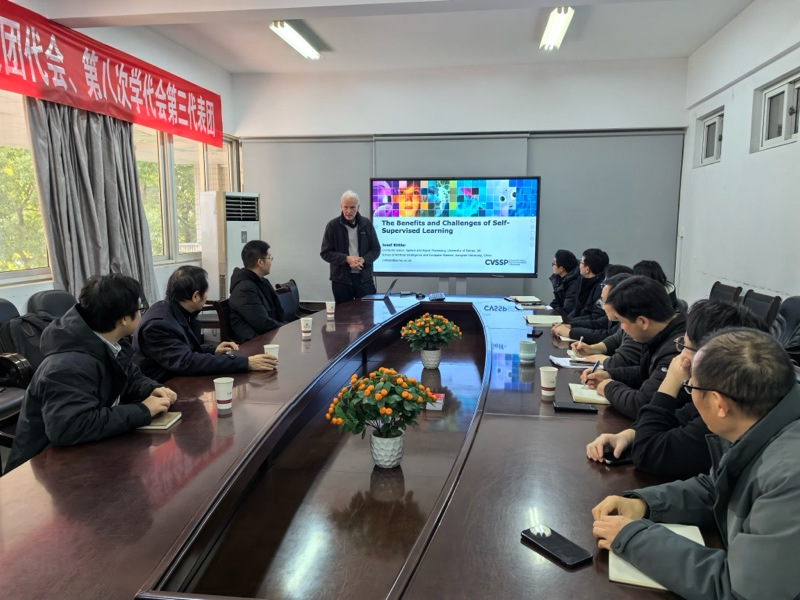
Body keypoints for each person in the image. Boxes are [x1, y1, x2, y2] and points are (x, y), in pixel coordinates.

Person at [592, 328, 800, 599]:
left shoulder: (789, 475)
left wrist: (633, 538)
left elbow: (743, 591)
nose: (690, 395)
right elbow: (717, 487)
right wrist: (645, 504)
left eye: (691, 387)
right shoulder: (760, 421)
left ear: (719, 404)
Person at [5, 274, 177, 473]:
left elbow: (130, 376)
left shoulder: (106, 341)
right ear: (123, 318)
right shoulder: (67, 366)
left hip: (85, 449)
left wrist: (153, 389)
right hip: (43, 466)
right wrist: (143, 411)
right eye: (139, 309)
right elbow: (69, 427)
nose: (141, 314)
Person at [586, 300, 767, 479]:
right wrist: (628, 435)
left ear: (706, 356)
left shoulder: (726, 411)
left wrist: (671, 380)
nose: (679, 353)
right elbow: (682, 416)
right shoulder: (730, 388)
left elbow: (647, 453)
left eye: (684, 344)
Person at [133, 266, 277, 382]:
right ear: (196, 296)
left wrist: (212, 350)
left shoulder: (176, 309)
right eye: (206, 292)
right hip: (162, 388)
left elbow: (182, 348)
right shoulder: (158, 325)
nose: (207, 296)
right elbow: (187, 362)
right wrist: (246, 363)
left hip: (178, 379)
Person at [582, 276, 685, 419]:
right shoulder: (662, 334)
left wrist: (608, 387)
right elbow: (647, 373)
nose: (622, 328)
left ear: (643, 322)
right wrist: (610, 374)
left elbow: (642, 404)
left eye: (622, 322)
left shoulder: (678, 348)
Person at [320, 190, 381, 305]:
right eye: (345, 207)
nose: (348, 211)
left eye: (352, 207)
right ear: (341, 207)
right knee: (344, 314)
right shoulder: (332, 226)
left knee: (367, 312)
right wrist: (346, 259)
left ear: (358, 207)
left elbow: (376, 250)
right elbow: (325, 253)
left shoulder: (366, 224)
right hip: (341, 280)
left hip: (364, 279)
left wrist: (363, 260)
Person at [553, 265, 633, 342]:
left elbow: (606, 335)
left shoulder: (628, 320)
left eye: (605, 285)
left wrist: (570, 332)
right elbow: (598, 323)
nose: (603, 288)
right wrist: (570, 325)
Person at [228, 240, 285, 342]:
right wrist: (287, 328)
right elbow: (263, 324)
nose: (271, 261)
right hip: (254, 343)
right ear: (260, 262)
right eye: (269, 257)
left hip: (267, 337)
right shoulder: (245, 290)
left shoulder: (260, 282)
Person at [568, 248, 609, 320]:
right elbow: (577, 309)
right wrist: (566, 320)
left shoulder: (601, 288)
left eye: (581, 262)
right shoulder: (582, 281)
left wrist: (571, 323)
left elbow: (596, 316)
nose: (579, 265)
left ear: (587, 269)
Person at [548, 249, 580, 316]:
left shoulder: (574, 284)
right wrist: (549, 308)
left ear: (561, 269)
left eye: (554, 264)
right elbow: (558, 301)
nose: (552, 266)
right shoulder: (558, 279)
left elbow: (567, 311)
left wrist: (553, 309)